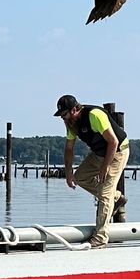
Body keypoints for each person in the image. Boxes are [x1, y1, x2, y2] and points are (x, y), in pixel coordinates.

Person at [55, 94, 128, 249]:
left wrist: (104, 168)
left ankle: (100, 238)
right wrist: (69, 173)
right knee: (79, 178)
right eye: (60, 115)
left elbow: (113, 142)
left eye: (65, 114)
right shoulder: (71, 123)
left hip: (117, 151)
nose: (63, 118)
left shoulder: (95, 115)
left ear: (75, 109)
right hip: (99, 153)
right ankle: (116, 197)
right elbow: (69, 149)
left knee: (104, 194)